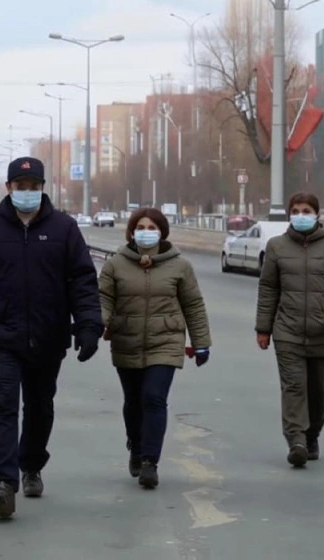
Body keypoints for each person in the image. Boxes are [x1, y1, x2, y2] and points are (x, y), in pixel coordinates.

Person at [0, 156, 103, 518]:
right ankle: (3, 483)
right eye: (21, 187)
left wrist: (88, 325)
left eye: (34, 187)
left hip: (49, 335)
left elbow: (83, 280)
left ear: (42, 189)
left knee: (40, 405)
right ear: (9, 189)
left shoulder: (64, 228)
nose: (27, 193)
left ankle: (31, 463)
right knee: (2, 402)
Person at [98, 208, 211, 489]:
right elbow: (102, 299)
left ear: (161, 232)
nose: (145, 231)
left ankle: (149, 462)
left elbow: (193, 305)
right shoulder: (116, 265)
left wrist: (201, 342)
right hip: (127, 339)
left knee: (153, 398)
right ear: (132, 232)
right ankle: (136, 446)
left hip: (166, 342)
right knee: (134, 401)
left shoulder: (180, 266)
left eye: (151, 226)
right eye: (140, 226)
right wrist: (98, 324)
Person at [255, 192, 324, 468]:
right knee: (293, 387)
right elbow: (268, 289)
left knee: (318, 391)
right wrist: (263, 328)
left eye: (306, 210)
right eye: (296, 210)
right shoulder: (276, 247)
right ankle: (296, 440)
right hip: (287, 331)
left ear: (317, 214)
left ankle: (312, 435)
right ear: (290, 214)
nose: (301, 215)